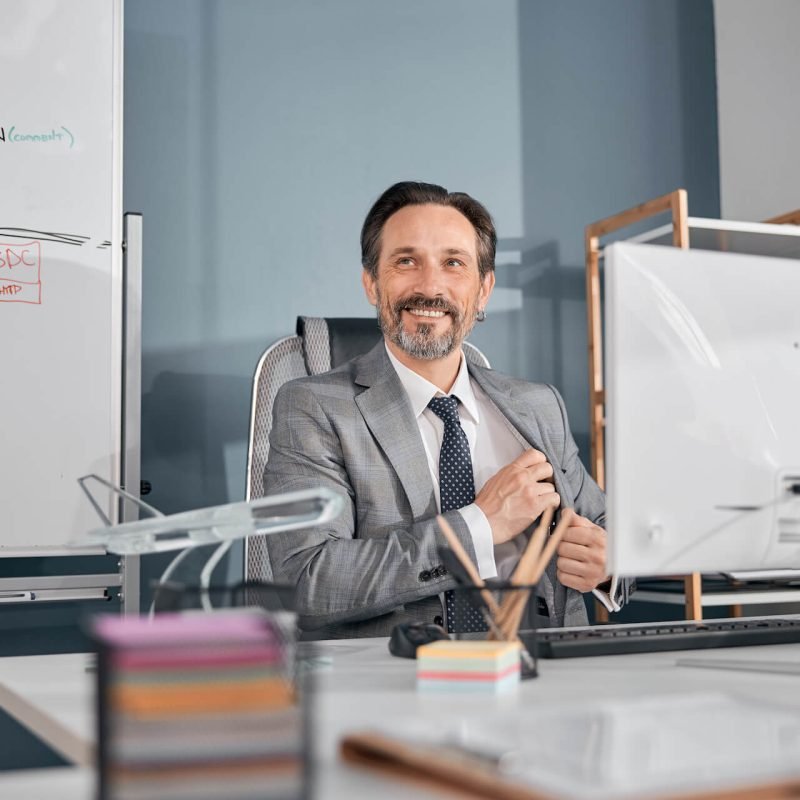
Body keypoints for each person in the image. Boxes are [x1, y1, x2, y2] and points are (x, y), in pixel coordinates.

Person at [263, 181, 628, 638]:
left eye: (454, 263)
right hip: (398, 689)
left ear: (483, 290)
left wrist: (610, 562)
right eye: (406, 261)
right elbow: (307, 583)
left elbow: (605, 525)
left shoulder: (538, 406)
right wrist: (476, 528)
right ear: (372, 283)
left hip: (545, 676)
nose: (430, 286)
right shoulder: (314, 407)